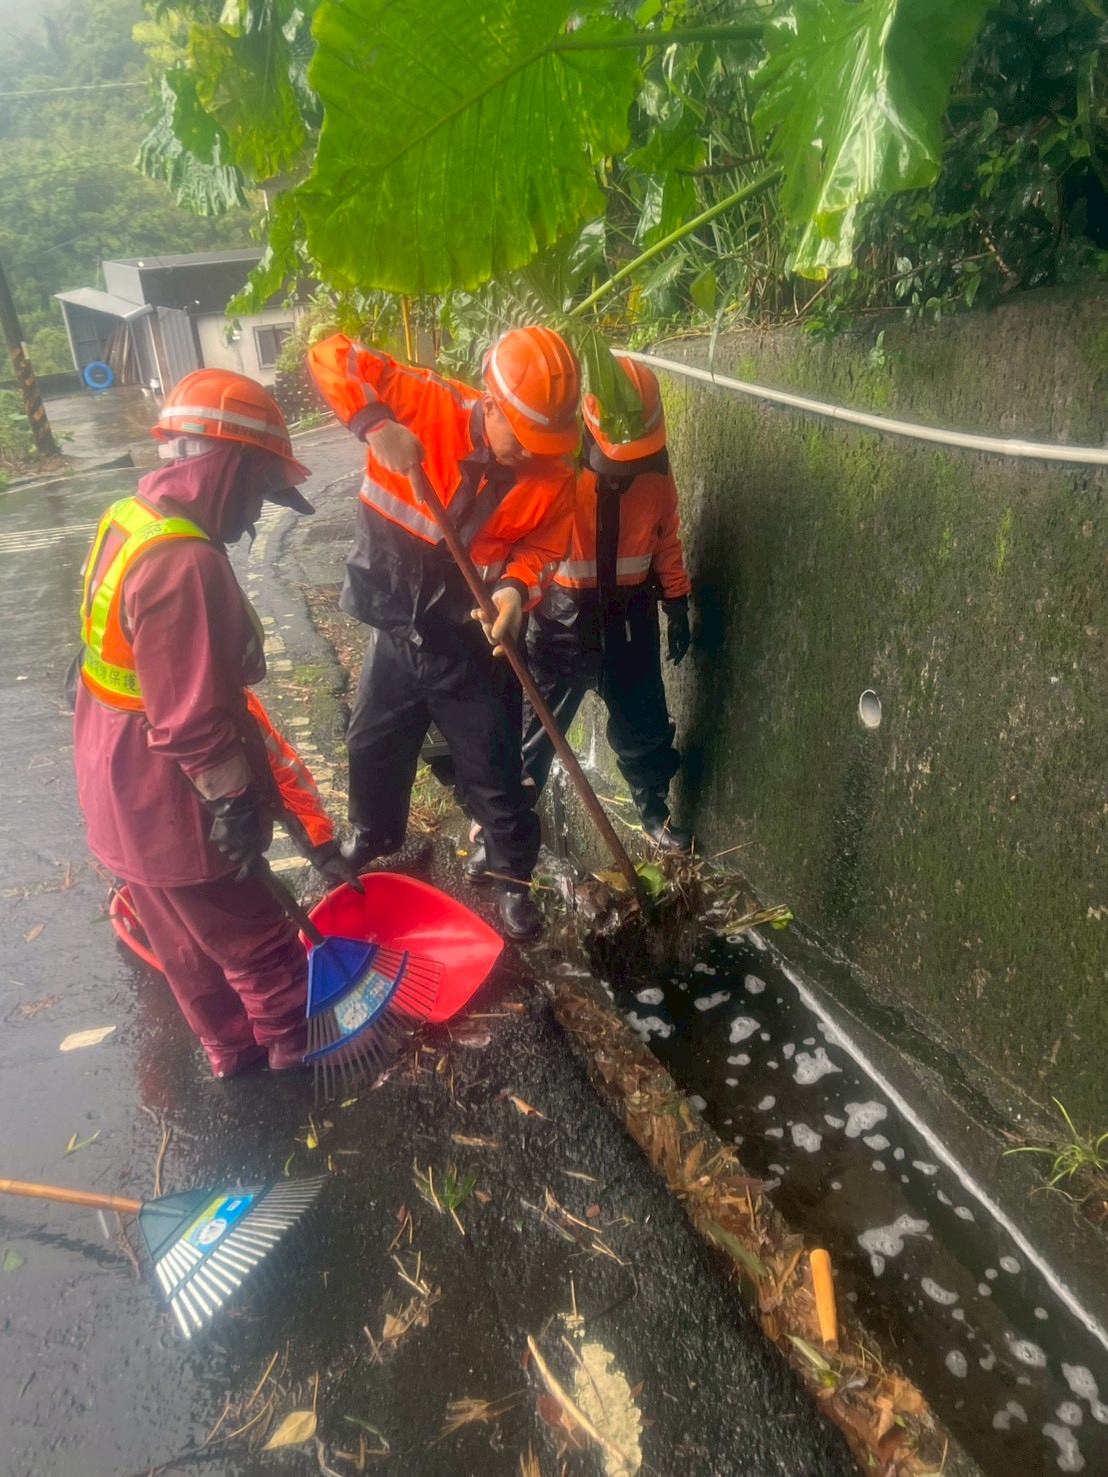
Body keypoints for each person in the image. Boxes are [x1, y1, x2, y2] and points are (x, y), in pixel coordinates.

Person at [72, 369, 349, 1078]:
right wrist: (232, 803)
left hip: (116, 787)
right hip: (176, 801)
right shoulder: (186, 563)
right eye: (258, 491)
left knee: (187, 948)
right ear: (228, 466)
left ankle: (234, 1055)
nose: (256, 517)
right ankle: (297, 1057)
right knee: (257, 940)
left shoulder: (130, 518)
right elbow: (195, 721)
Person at [307, 327, 580, 943]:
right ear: (491, 404)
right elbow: (332, 353)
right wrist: (376, 423)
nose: (535, 453)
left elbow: (541, 548)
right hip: (399, 626)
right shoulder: (426, 404)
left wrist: (513, 591)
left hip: (471, 638)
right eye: (525, 436)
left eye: (547, 443)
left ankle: (512, 878)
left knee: (495, 767)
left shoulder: (555, 475)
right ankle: (373, 836)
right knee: (371, 741)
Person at [466, 357, 692, 882]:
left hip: (631, 620)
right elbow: (522, 543)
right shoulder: (557, 475)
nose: (629, 468)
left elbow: (667, 537)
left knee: (645, 725)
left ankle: (655, 815)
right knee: (532, 736)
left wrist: (677, 601)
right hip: (561, 622)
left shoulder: (657, 477)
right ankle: (500, 839)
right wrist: (510, 596)